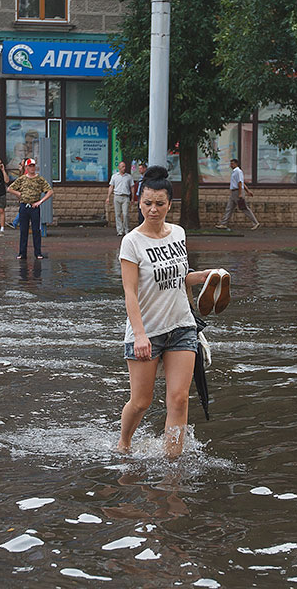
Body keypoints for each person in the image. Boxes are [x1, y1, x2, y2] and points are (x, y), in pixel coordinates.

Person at [117, 165, 229, 459]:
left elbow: (179, 279)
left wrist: (202, 275)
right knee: (141, 401)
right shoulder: (131, 242)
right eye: (147, 203)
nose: (153, 210)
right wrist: (139, 335)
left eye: (160, 204)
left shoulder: (178, 234)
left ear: (170, 204)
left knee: (178, 400)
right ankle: (124, 443)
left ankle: (172, 461)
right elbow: (130, 292)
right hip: (147, 333)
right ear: (139, 202)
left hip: (182, 326)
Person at [6, 158, 53, 260]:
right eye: (30, 166)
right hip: (24, 206)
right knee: (24, 230)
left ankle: (38, 253)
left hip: (34, 207)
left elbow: (50, 191)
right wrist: (18, 193)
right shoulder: (22, 179)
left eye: (33, 166)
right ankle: (22, 253)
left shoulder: (39, 179)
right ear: (26, 167)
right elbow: (9, 188)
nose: (32, 168)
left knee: (36, 230)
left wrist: (40, 201)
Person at [215, 158, 260, 231]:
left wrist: (240, 194)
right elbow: (242, 182)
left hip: (237, 192)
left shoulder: (238, 172)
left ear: (236, 164)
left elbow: (240, 183)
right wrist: (247, 191)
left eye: (232, 163)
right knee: (229, 208)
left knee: (244, 208)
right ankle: (223, 224)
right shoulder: (234, 172)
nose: (231, 165)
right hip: (233, 192)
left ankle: (255, 222)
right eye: (230, 164)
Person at [106, 161, 134, 236]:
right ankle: (120, 230)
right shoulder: (114, 176)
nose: (124, 168)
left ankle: (126, 229)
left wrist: (133, 198)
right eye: (122, 167)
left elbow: (132, 187)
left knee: (125, 214)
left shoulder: (129, 177)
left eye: (124, 166)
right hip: (117, 196)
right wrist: (108, 197)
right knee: (117, 214)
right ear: (119, 167)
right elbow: (111, 186)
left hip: (126, 197)